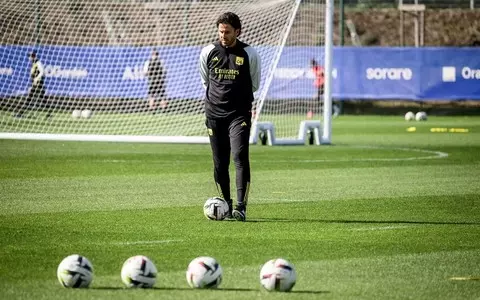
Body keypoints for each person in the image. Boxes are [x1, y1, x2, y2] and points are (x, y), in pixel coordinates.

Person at [199, 12, 261, 221]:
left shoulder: (249, 53)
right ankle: (226, 204)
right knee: (220, 162)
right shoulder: (208, 51)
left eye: (227, 32)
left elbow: (255, 84)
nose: (223, 35)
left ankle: (241, 207)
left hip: (239, 114)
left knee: (239, 156)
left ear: (237, 31)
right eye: (220, 31)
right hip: (214, 114)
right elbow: (206, 80)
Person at [16, 51, 48, 118]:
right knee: (42, 99)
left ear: (33, 56)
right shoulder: (34, 63)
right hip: (36, 83)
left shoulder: (38, 62)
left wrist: (36, 79)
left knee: (29, 98)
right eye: (29, 56)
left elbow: (42, 72)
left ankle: (20, 113)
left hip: (38, 84)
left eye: (30, 56)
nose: (29, 58)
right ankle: (49, 113)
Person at [144, 49, 167, 114]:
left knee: (152, 96)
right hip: (159, 81)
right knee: (161, 96)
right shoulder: (161, 62)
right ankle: (163, 110)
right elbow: (164, 71)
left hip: (152, 81)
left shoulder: (148, 62)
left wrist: (150, 74)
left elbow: (145, 73)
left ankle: (152, 110)